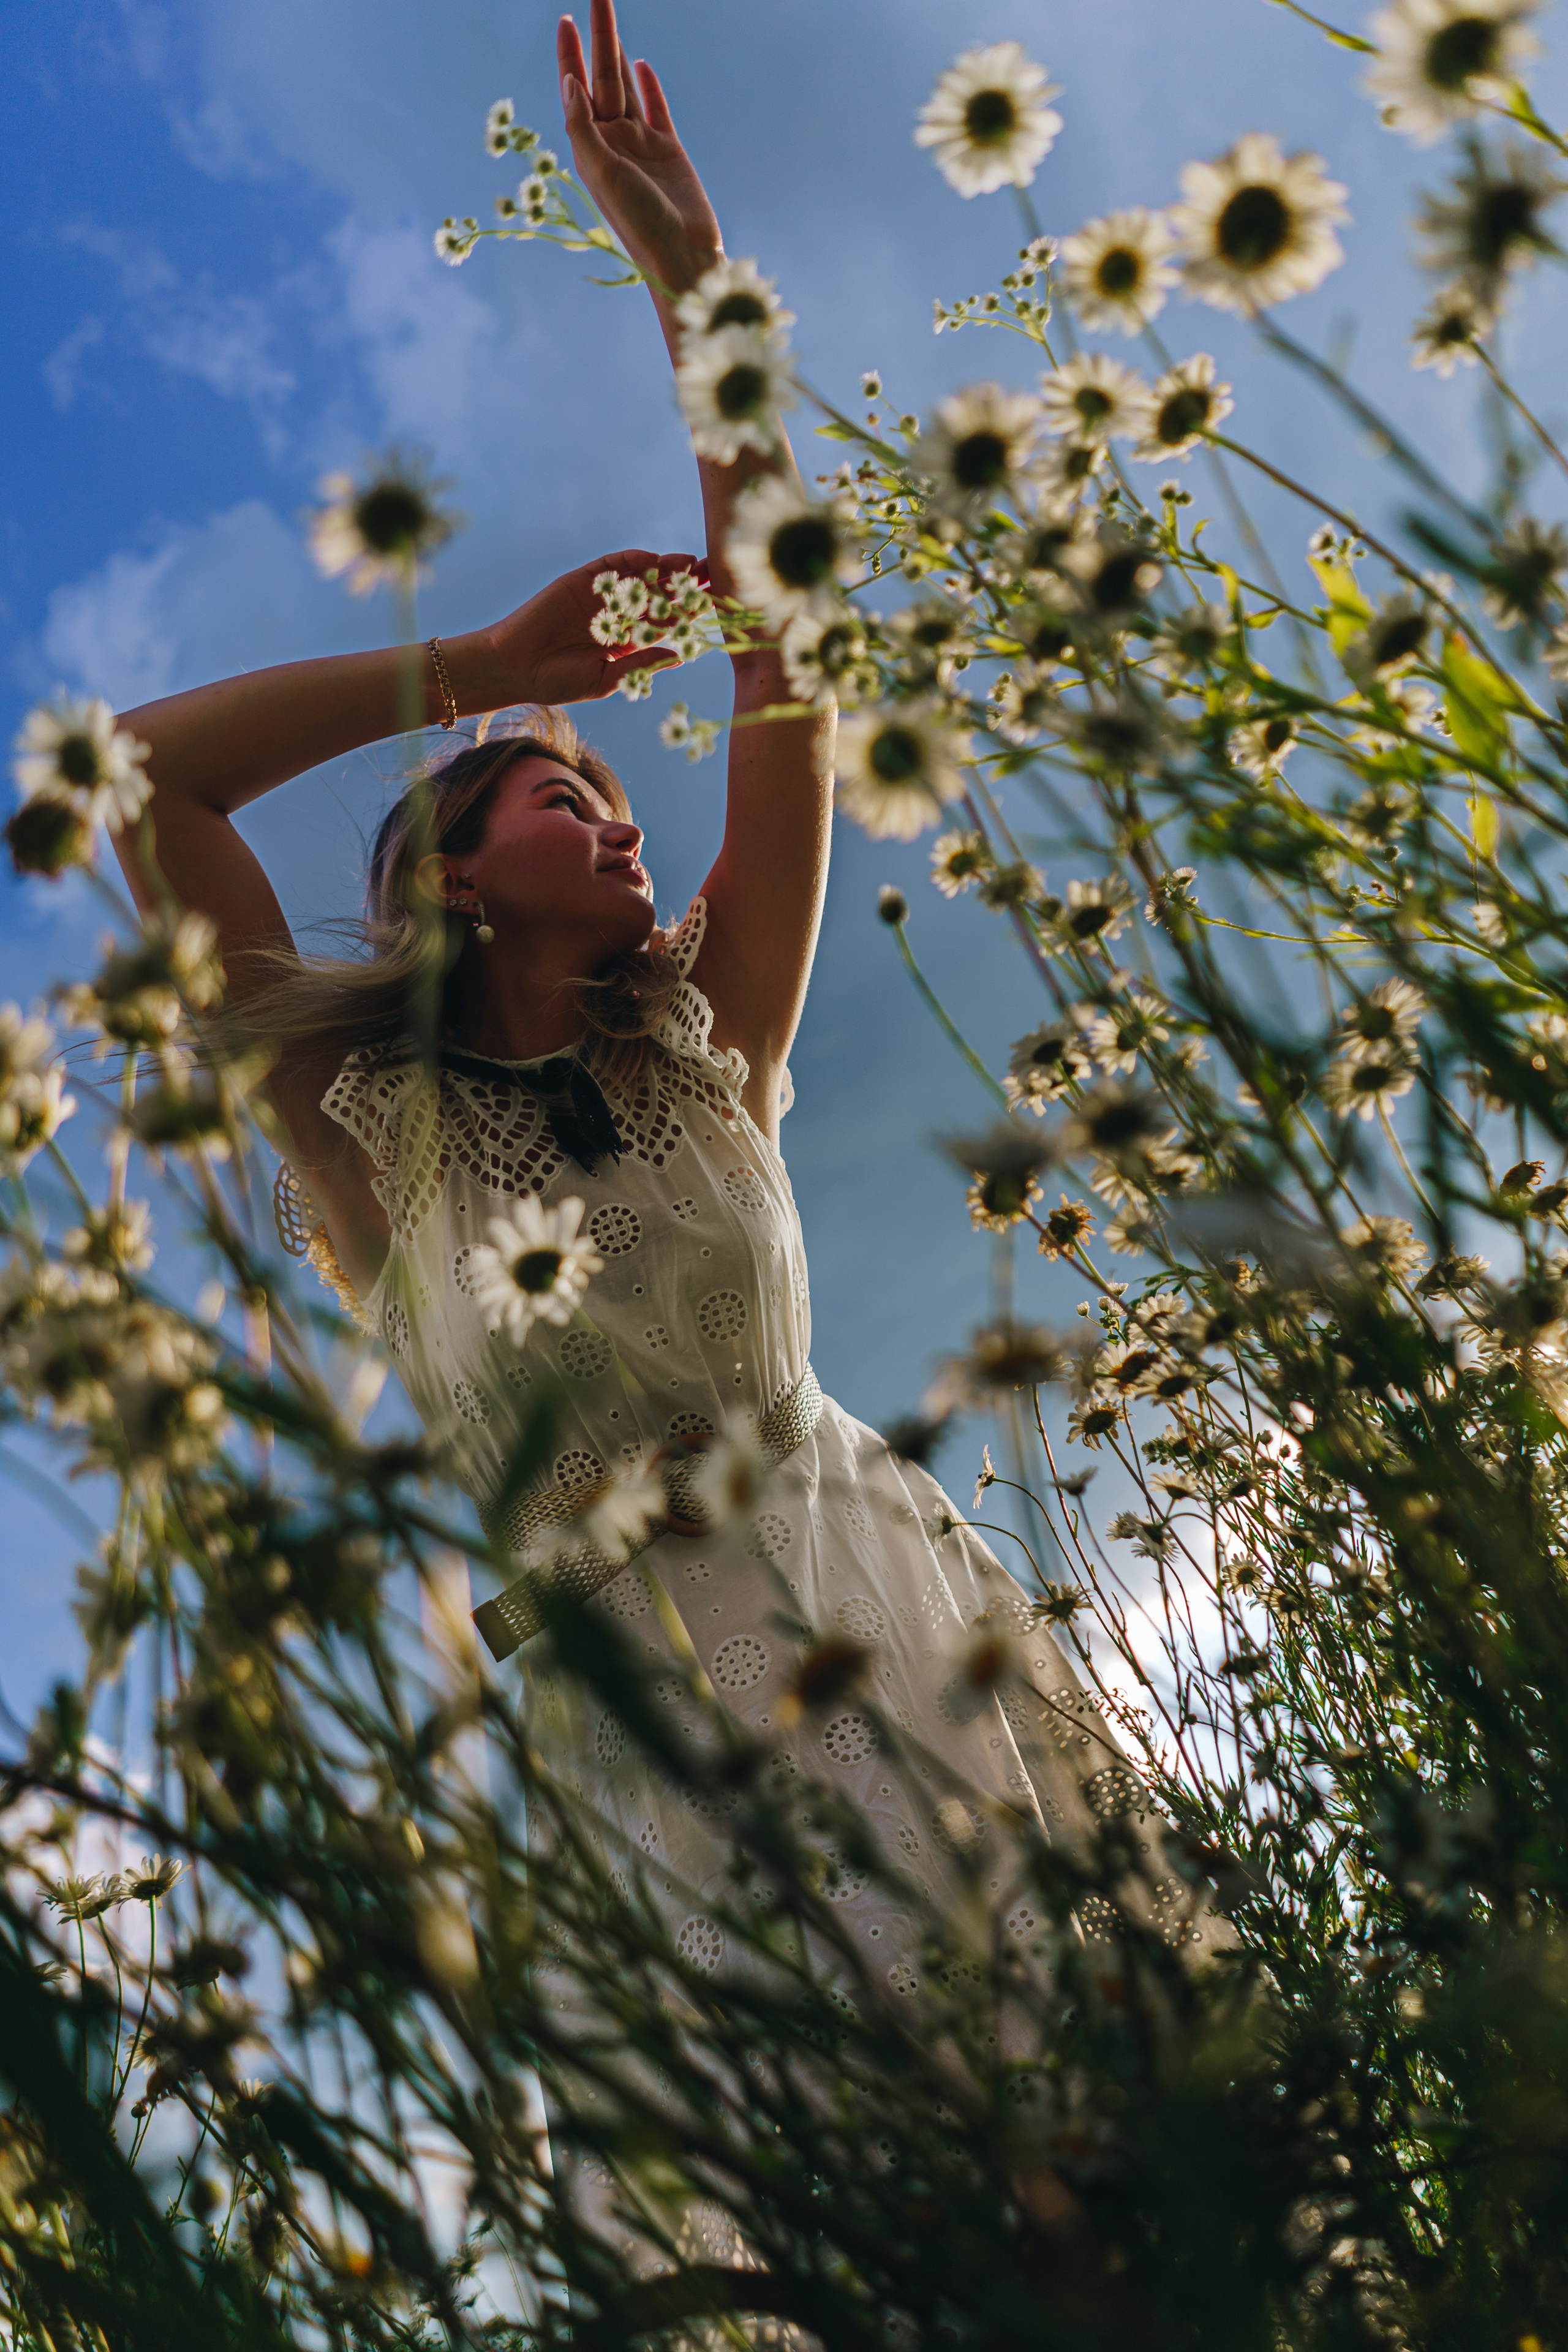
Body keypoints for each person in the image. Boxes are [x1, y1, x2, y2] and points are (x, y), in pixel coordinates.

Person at [114, 0, 1211, 2162]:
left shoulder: (720, 1042)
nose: (626, 823)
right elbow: (145, 779)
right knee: (832, 2200)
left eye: (625, 799)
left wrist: (691, 283)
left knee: (1091, 2154)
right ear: (446, 875)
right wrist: (497, 669)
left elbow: (795, 655)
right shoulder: (367, 1141)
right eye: (563, 798)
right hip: (644, 1735)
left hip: (891, 1637)